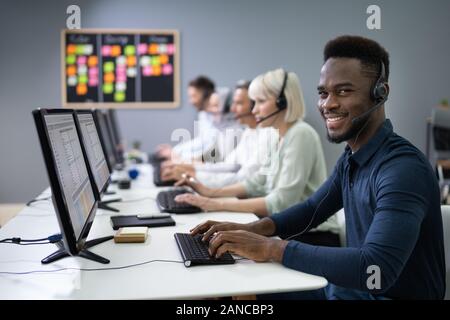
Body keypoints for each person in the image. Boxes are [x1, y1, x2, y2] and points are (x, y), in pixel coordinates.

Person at [190, 36, 446, 300]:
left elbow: (376, 268)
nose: (328, 104)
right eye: (323, 93)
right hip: (351, 291)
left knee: (243, 294)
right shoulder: (351, 158)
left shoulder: (402, 169)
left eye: (344, 91)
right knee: (235, 290)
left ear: (381, 93)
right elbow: (313, 209)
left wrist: (270, 248)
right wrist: (250, 230)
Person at [175, 69, 339, 244]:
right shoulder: (275, 135)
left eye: (260, 101)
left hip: (313, 235)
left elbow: (281, 202)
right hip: (285, 228)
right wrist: (210, 193)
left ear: (283, 102)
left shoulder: (301, 134)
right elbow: (256, 183)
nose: (254, 110)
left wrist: (213, 203)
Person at [161, 80, 277, 188]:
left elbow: (242, 177)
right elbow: (229, 165)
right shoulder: (248, 132)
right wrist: (189, 168)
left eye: (239, 103)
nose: (232, 109)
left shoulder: (250, 134)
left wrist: (193, 174)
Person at [155, 75, 217, 161]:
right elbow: (201, 141)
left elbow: (209, 148)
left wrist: (176, 153)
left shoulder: (219, 117)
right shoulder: (203, 114)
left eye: (194, 96)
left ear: (205, 95)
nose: (191, 101)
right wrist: (175, 150)